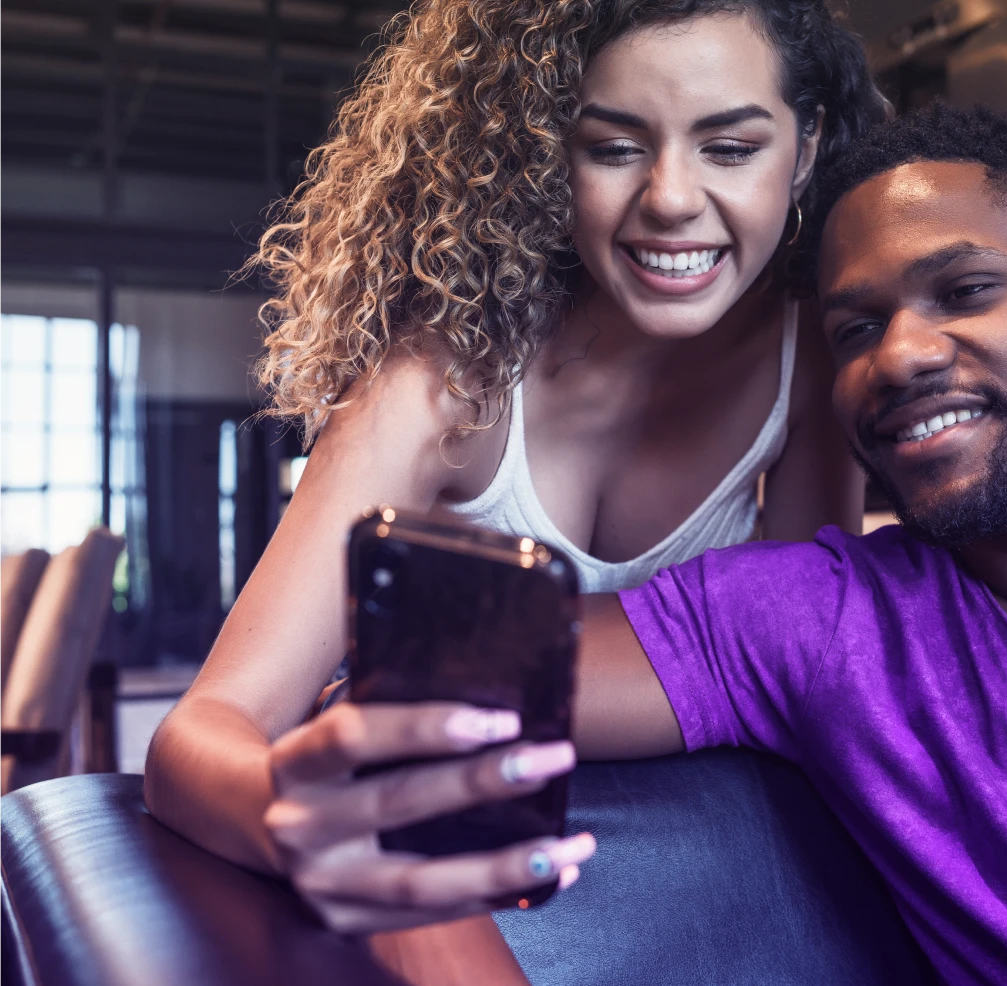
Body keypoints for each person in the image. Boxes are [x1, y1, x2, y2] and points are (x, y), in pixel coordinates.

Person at [234, 101, 1007, 984]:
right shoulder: (812, 622)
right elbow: (392, 702)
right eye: (855, 328)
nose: (903, 354)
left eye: (964, 289)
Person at [145, 0, 884, 981]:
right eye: (615, 148)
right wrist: (296, 817)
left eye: (730, 147)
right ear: (547, 154)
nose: (669, 197)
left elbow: (792, 677)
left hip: (670, 886)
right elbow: (197, 734)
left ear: (806, 147)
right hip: (444, 871)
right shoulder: (440, 381)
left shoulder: (808, 355)